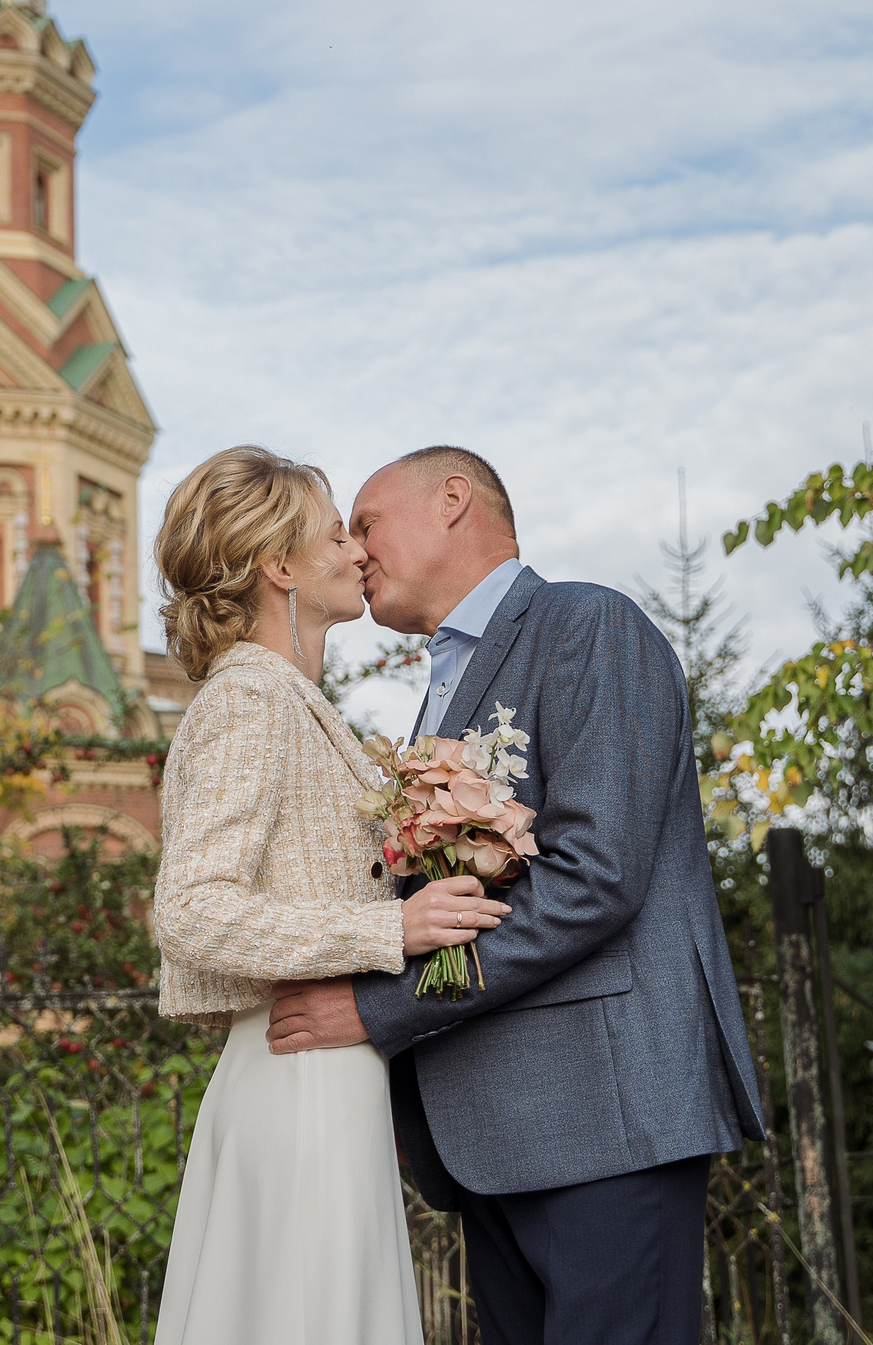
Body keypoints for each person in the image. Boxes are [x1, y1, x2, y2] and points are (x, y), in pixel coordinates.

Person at [267, 445, 766, 1345]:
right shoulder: (441, 692)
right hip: (491, 1138)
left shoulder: (587, 625)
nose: (353, 549)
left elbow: (594, 876)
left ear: (453, 498)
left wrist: (379, 1012)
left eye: (367, 522)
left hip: (604, 1118)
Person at [148, 445, 512, 1345]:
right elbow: (192, 908)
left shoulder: (293, 702)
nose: (357, 551)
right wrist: (394, 925)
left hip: (330, 1081)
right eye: (333, 534)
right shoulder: (249, 701)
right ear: (280, 567)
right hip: (296, 1082)